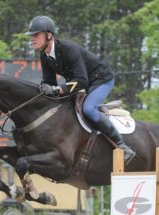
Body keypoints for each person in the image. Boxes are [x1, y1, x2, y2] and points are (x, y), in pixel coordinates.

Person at [25, 15, 136, 164]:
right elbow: (50, 83)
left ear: (49, 35)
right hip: (83, 82)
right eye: (31, 35)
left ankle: (122, 146)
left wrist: (56, 90)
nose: (32, 39)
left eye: (35, 35)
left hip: (101, 79)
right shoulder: (44, 56)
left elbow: (81, 82)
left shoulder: (69, 49)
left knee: (89, 109)